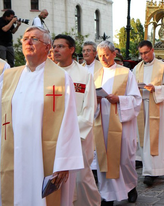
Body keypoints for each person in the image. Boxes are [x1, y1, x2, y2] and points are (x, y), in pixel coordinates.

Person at [0, 26, 84, 205]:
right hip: (15, 153)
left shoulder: (61, 78)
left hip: (44, 156)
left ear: (47, 47)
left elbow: (68, 122)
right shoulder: (9, 77)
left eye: (34, 39)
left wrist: (64, 162)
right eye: (25, 39)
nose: (28, 42)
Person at [53, 34, 101, 206]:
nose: (55, 50)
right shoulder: (49, 73)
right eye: (54, 46)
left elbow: (89, 108)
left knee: (81, 179)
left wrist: (71, 131)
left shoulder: (83, 74)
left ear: (71, 50)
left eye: (60, 46)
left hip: (78, 135)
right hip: (53, 136)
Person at [94, 41, 141, 205]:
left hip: (122, 123)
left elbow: (136, 99)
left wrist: (119, 99)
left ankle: (130, 186)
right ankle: (107, 195)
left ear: (114, 54)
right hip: (101, 122)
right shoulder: (95, 73)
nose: (103, 59)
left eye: (106, 54)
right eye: (100, 56)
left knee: (124, 160)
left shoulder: (126, 73)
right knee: (104, 159)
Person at [133, 40, 164, 187]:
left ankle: (154, 171)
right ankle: (146, 168)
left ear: (152, 51)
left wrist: (155, 89)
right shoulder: (136, 68)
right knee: (143, 139)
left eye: (146, 52)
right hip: (141, 107)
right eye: (141, 53)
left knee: (154, 139)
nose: (143, 56)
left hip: (156, 105)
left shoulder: (162, 66)